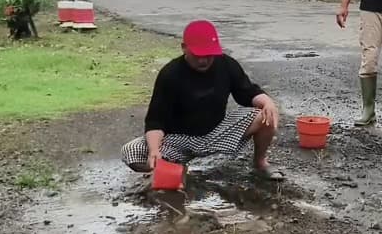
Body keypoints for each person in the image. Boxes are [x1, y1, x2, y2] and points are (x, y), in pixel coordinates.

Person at [121, 19, 284, 180]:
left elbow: (247, 92)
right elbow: (155, 121)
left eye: (208, 55)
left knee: (267, 115)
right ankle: (175, 168)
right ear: (184, 48)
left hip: (217, 132)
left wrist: (267, 102)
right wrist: (154, 151)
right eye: (197, 55)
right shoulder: (170, 74)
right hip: (178, 140)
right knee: (131, 152)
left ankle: (260, 163)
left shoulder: (226, 64)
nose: (203, 61)